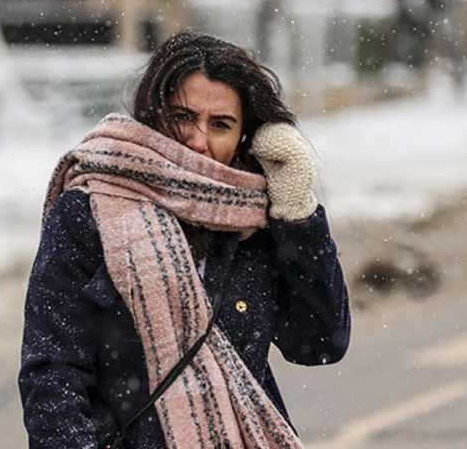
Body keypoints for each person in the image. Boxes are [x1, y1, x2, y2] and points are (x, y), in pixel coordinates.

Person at [19, 32, 350, 448]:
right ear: (152, 114)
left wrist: (296, 211)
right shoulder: (90, 211)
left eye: (220, 124)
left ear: (244, 138)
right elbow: (52, 373)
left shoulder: (253, 224)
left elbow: (320, 342)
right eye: (182, 117)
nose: (198, 140)